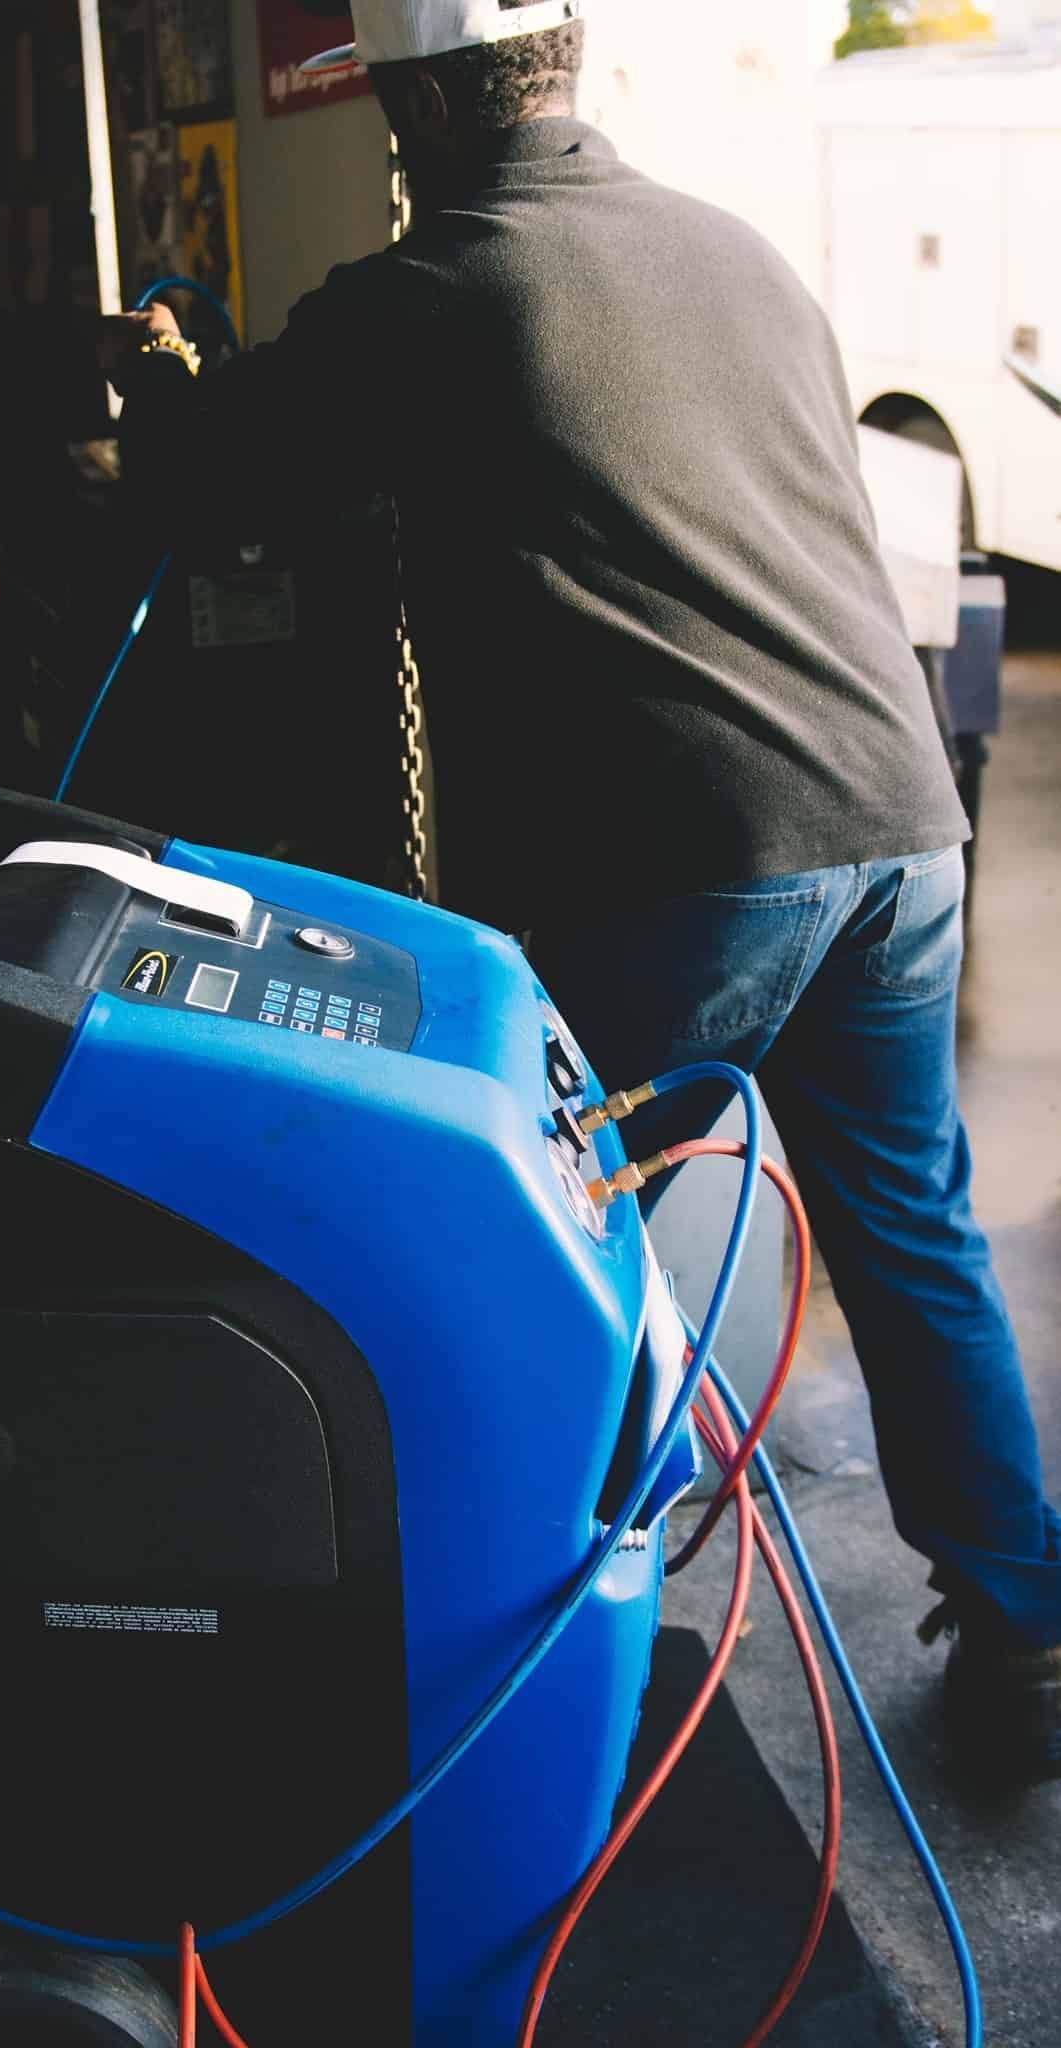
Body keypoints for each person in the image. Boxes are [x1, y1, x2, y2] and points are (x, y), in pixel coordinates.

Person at [110, 0, 1060, 1782]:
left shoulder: (440, 288)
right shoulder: (729, 248)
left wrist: (167, 369)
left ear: (406, 109)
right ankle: (1029, 1630)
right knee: (909, 1231)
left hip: (698, 862)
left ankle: (544, 1646)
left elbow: (203, 486)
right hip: (893, 818)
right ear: (562, 72)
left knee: (525, 1235)